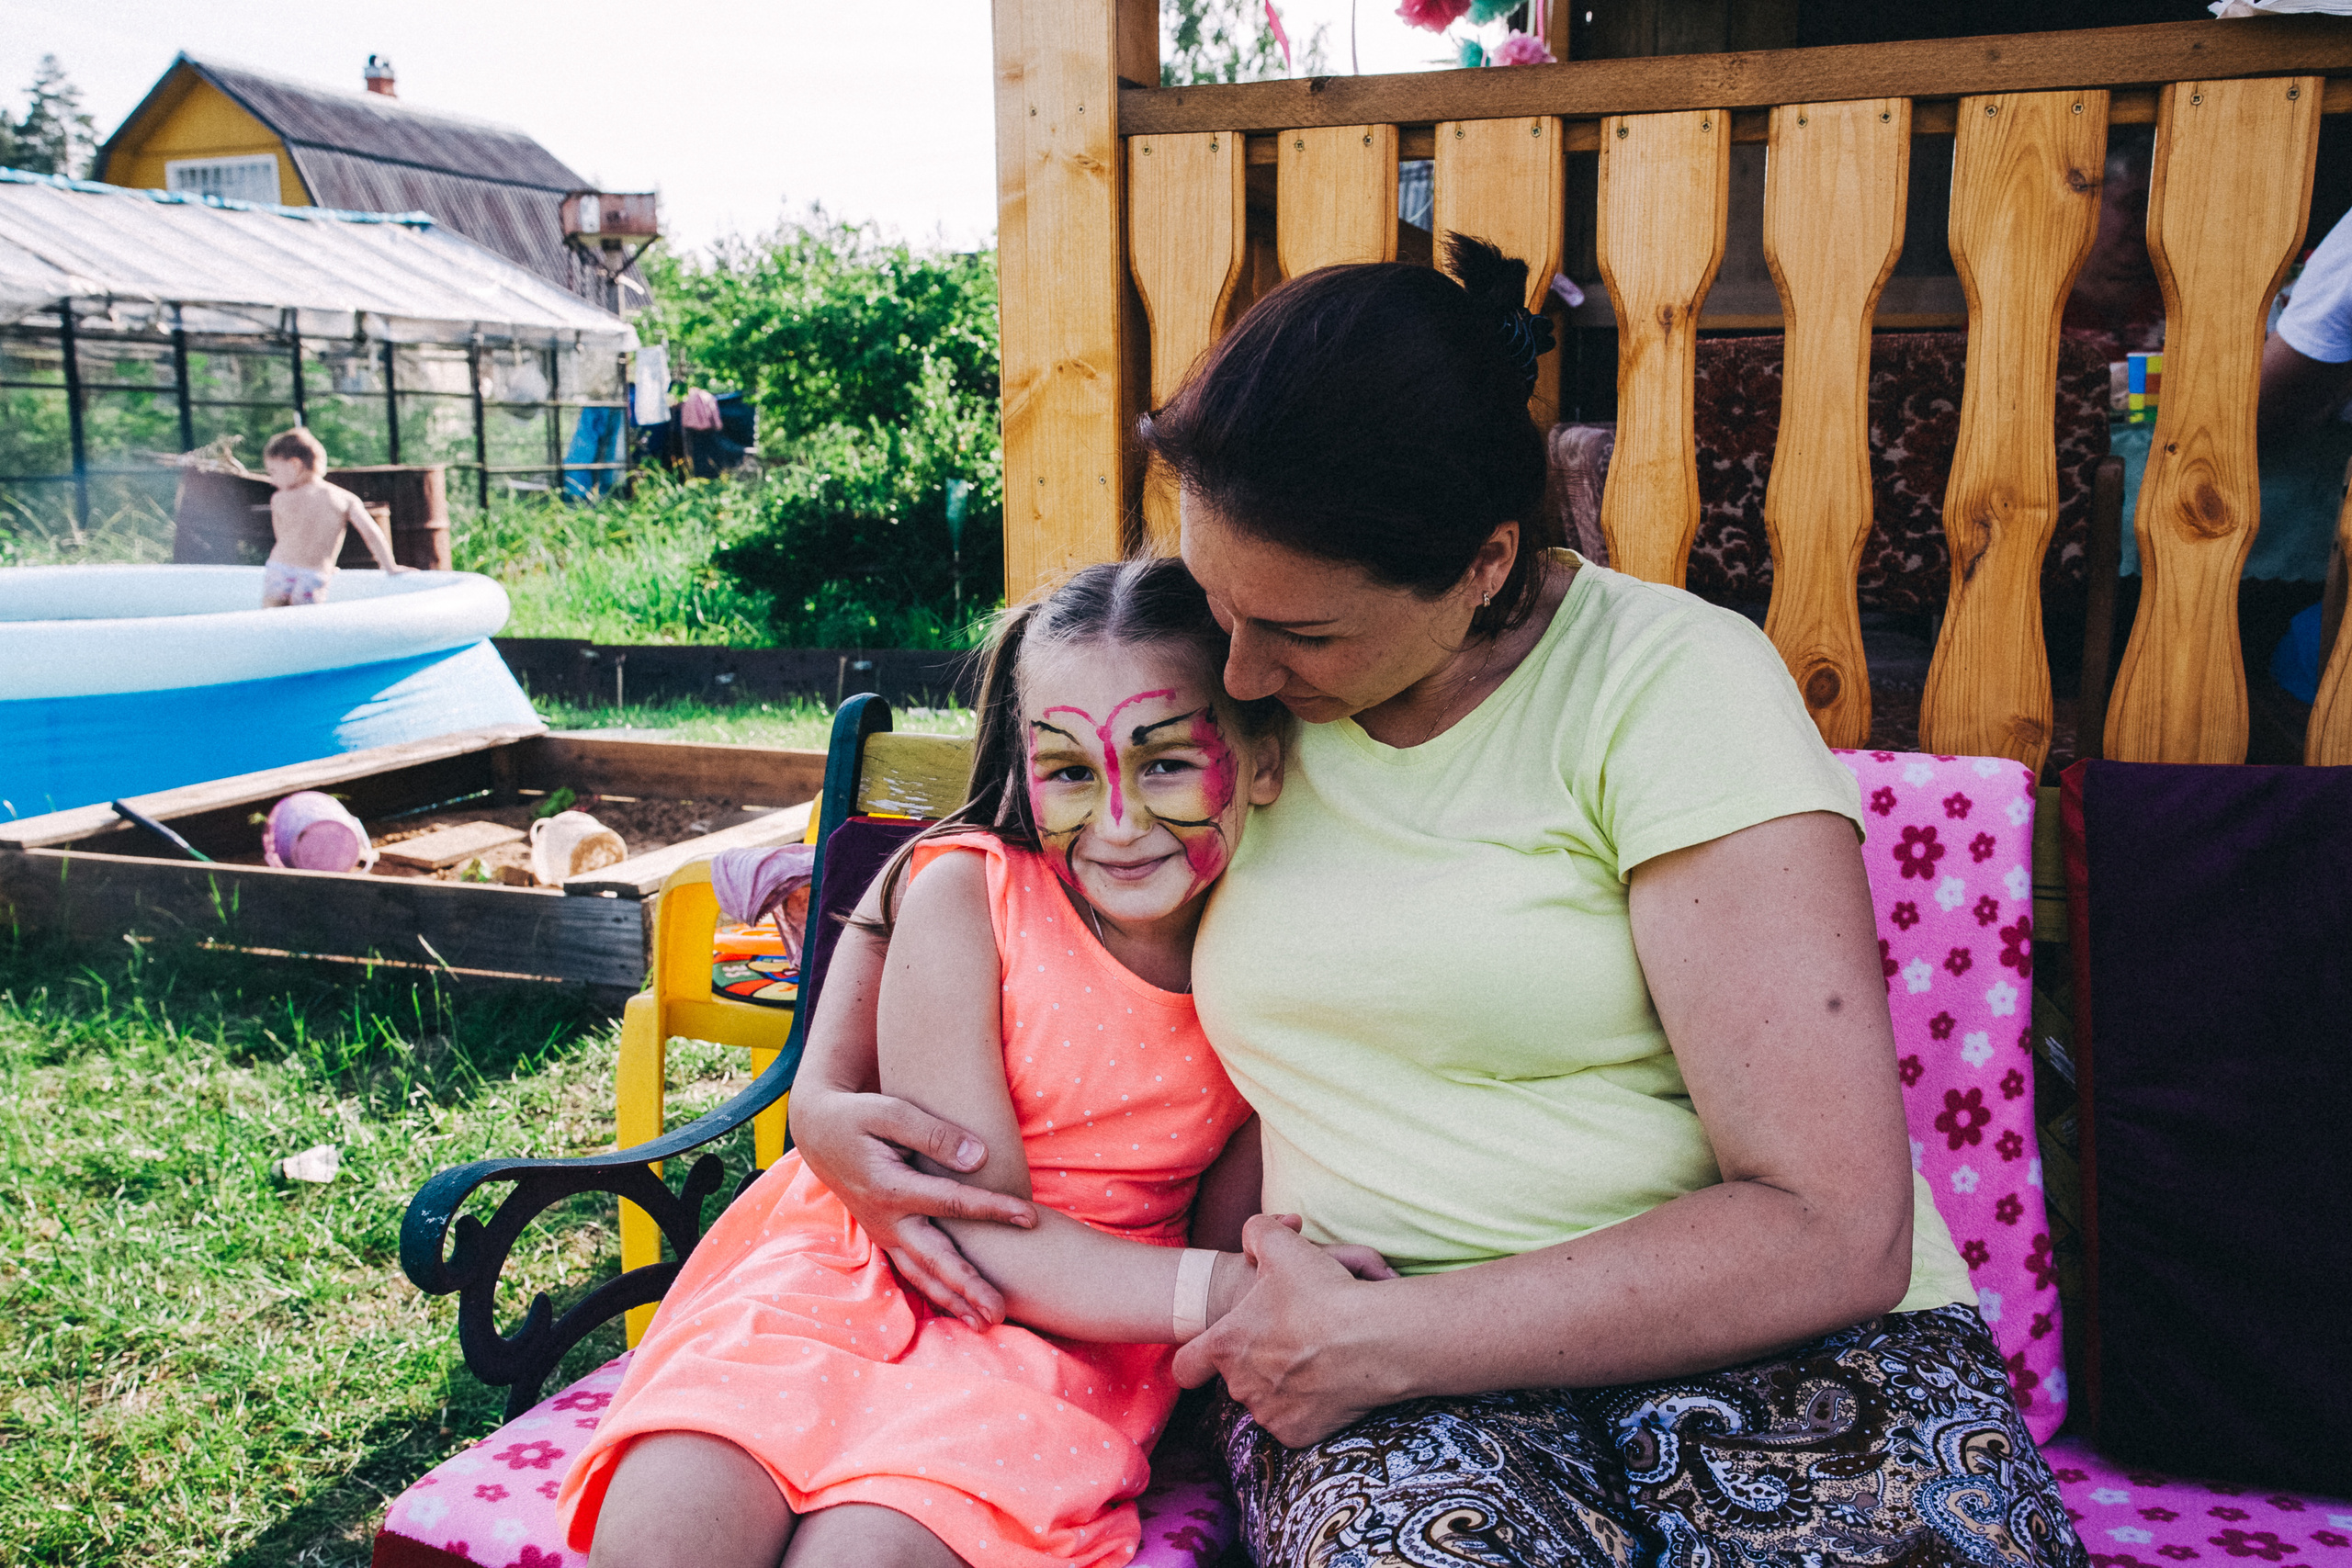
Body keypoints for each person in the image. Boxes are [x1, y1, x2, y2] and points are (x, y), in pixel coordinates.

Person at [788, 238, 2089, 1568]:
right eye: (1222, 603)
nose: (1243, 669)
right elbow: (978, 849)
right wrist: (823, 1095)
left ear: (1484, 563)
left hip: (1766, 1344)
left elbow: (1834, 1227)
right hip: (1374, 1367)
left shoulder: (1670, 687)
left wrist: (1390, 1338)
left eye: (1302, 632)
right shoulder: (1222, 703)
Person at [560, 558, 1395, 1568]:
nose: (1119, 822)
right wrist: (1231, 1293)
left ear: (1262, 760)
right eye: (1071, 772)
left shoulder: (1272, 965)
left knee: (866, 1555)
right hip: (859, 1270)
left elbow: (1234, 1208)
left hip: (1060, 1341)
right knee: (673, 1520)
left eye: (1167, 762)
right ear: (1023, 769)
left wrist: (1245, 1292)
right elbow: (967, 1216)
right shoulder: (971, 898)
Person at [258, 427, 411, 605]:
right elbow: (371, 533)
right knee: (305, 620)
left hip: (279, 569)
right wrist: (390, 566)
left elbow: (282, 536)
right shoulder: (344, 498)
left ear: (295, 465)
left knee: (271, 616)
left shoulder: (279, 498)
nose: (272, 480)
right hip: (313, 574)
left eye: (273, 472)